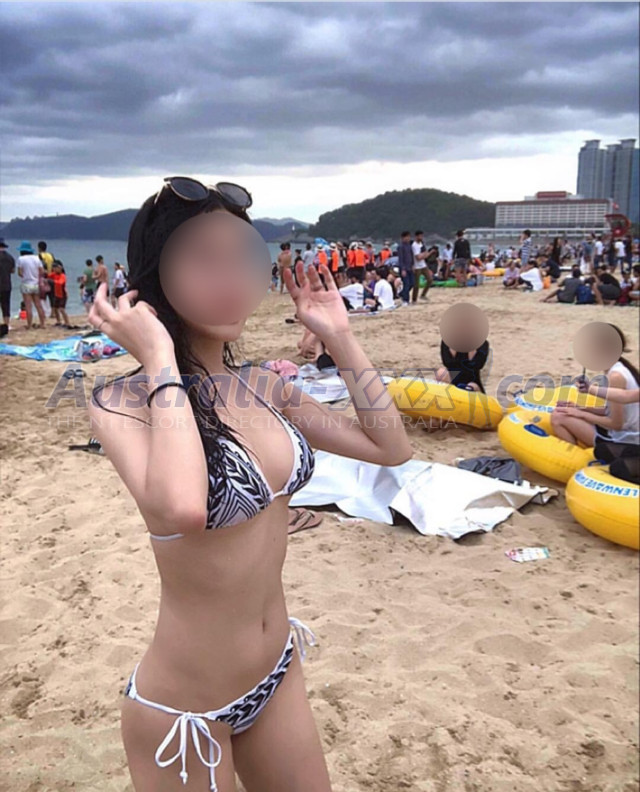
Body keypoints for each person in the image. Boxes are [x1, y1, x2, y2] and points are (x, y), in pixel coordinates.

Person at [86, 177, 413, 792]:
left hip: (277, 671)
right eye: (203, 260)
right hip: (184, 710)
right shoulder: (120, 402)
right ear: (157, 276)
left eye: (240, 258)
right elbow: (184, 508)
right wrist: (160, 358)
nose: (229, 279)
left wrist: (339, 335)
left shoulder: (264, 387)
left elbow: (389, 447)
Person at [552, 326, 639, 460]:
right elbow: (612, 411)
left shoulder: (616, 377)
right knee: (562, 412)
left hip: (625, 441)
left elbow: (617, 424)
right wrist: (580, 408)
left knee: (558, 418)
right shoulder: (617, 369)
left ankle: (573, 462)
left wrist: (580, 414)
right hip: (623, 433)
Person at [17, 241, 46, 329]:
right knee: (38, 305)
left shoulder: (21, 259)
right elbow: (42, 271)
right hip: (35, 284)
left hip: (26, 284)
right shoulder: (37, 258)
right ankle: (42, 324)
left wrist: (26, 275)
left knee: (28, 306)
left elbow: (20, 273)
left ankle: (29, 325)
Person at [0, 238, 15, 336]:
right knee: (6, 305)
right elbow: (12, 271)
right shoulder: (10, 257)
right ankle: (6, 324)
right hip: (6, 284)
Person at [49, 260, 70, 327]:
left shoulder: (62, 275)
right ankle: (58, 321)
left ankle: (67, 322)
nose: (54, 269)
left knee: (62, 309)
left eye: (56, 268)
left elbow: (60, 282)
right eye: (53, 268)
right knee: (55, 308)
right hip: (56, 294)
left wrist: (53, 281)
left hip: (63, 295)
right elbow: (48, 276)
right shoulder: (54, 274)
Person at [37, 241, 55, 316]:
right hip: (52, 277)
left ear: (39, 248)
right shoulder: (51, 255)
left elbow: (40, 266)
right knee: (52, 296)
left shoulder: (39, 256)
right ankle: (53, 313)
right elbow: (54, 265)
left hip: (44, 277)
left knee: (42, 296)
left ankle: (43, 312)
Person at [411, 230, 429, 302]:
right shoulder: (414, 245)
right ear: (416, 236)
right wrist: (423, 255)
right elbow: (418, 257)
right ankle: (414, 299)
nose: (421, 237)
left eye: (422, 236)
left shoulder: (422, 244)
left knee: (430, 279)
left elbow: (426, 254)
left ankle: (423, 294)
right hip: (417, 266)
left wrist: (423, 255)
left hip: (423, 265)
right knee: (416, 284)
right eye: (420, 236)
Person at [398, 231, 414, 306]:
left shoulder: (409, 246)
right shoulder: (400, 247)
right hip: (404, 268)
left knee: (412, 283)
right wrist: (403, 269)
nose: (408, 238)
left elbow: (411, 256)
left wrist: (413, 265)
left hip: (410, 267)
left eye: (409, 237)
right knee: (406, 284)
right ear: (403, 238)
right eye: (407, 237)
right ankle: (406, 300)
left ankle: (401, 293)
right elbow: (400, 259)